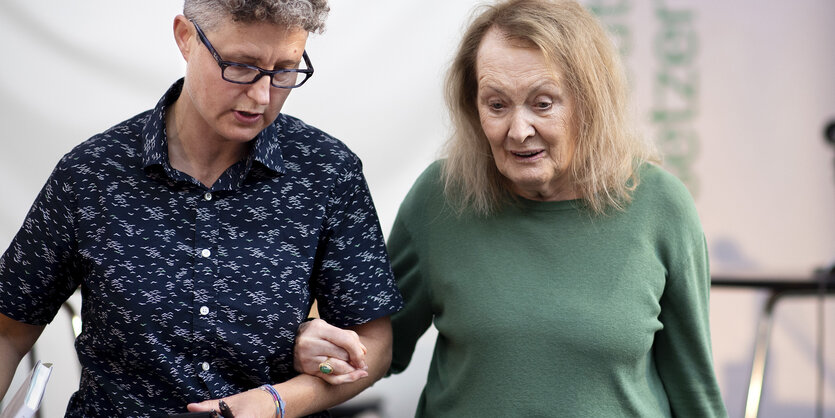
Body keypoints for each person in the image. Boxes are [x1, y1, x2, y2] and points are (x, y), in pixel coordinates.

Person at [293, 0, 729, 416]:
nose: (519, 131)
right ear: (473, 105)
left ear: (590, 101)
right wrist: (318, 350)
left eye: (543, 103)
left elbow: (693, 385)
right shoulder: (441, 197)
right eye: (497, 105)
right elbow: (374, 348)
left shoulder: (661, 205)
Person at [0, 1, 403, 417]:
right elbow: (8, 333)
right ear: (186, 38)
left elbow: (375, 345)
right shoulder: (94, 174)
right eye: (241, 65)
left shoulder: (326, 173)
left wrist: (277, 401)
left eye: (285, 70)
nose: (262, 96)